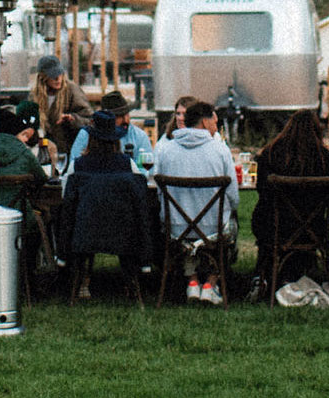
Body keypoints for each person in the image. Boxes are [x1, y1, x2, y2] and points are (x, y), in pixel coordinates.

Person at [59, 110, 157, 298]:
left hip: (85, 232)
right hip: (123, 232)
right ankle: (133, 282)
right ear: (116, 140)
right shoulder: (128, 164)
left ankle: (75, 275)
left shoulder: (77, 166)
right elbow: (140, 199)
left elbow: (67, 200)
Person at [151, 100, 239, 304]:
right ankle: (210, 284)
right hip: (213, 228)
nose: (216, 127)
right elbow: (233, 198)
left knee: (189, 226)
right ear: (204, 122)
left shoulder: (166, 149)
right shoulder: (220, 150)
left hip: (175, 229)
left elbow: (159, 193)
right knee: (231, 222)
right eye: (214, 122)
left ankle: (192, 282)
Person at [252, 109, 329, 286]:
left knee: (263, 213)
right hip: (313, 229)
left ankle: (263, 275)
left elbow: (263, 191)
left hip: (275, 228)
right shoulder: (323, 159)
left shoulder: (270, 154)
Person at [65, 91, 152, 176]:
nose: (126, 120)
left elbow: (146, 172)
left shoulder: (140, 136)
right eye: (119, 116)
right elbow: (74, 167)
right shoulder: (86, 135)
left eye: (127, 114)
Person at [29, 54, 93, 148]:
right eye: (53, 75)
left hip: (68, 148)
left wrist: (72, 119)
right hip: (44, 149)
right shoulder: (34, 96)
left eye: (60, 73)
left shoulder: (71, 90)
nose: (58, 78)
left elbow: (90, 120)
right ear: (43, 77)